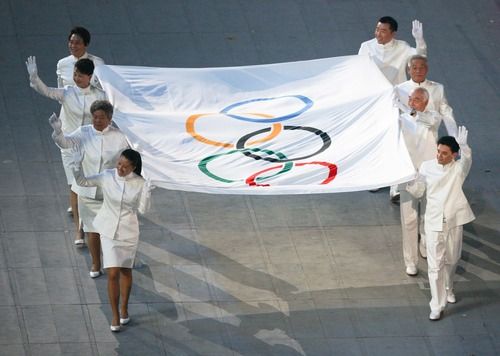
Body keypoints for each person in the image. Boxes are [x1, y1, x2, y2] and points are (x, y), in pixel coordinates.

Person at [26, 56, 106, 245]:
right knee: (75, 186)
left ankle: (97, 227)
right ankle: (79, 231)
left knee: (91, 185)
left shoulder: (100, 95)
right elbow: (47, 91)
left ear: (90, 77)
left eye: (80, 75)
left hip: (91, 145)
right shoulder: (68, 93)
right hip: (69, 142)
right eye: (75, 74)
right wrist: (35, 78)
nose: (76, 78)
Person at [73, 149, 154, 331]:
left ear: (133, 167)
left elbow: (143, 210)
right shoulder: (107, 176)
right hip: (108, 231)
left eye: (125, 166)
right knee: (112, 273)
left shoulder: (140, 183)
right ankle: (115, 315)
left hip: (128, 233)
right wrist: (76, 165)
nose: (120, 168)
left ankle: (124, 308)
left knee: (126, 271)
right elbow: (82, 181)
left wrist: (147, 192)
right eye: (119, 164)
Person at [49, 100, 130, 278]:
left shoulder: (121, 137)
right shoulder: (83, 132)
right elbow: (65, 143)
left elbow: (132, 159)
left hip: (110, 193)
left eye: (101, 117)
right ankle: (96, 263)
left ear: (110, 118)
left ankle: (115, 262)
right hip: (87, 191)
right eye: (95, 117)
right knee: (92, 230)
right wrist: (58, 131)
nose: (97, 120)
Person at [406, 126, 474, 321]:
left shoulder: (458, 169)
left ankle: (448, 287)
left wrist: (465, 148)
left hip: (454, 221)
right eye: (438, 151)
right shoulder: (427, 167)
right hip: (434, 222)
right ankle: (436, 305)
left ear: (453, 155)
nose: (439, 156)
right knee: (435, 266)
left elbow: (466, 161)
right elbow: (419, 191)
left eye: (444, 153)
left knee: (452, 260)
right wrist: (410, 182)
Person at [399, 87, 440, 276]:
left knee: (428, 217)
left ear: (425, 102)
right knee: (408, 220)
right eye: (411, 99)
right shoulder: (401, 120)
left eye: (417, 99)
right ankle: (410, 261)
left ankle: (425, 244)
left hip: (430, 176)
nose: (412, 102)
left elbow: (429, 121)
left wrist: (413, 112)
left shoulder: (433, 117)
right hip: (408, 175)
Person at [396, 55, 458, 137]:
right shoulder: (399, 89)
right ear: (408, 70)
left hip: (430, 137)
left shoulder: (437, 88)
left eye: (422, 68)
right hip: (406, 138)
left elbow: (447, 114)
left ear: (427, 69)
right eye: (414, 68)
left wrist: (454, 138)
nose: (418, 71)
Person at [359, 16, 427, 85]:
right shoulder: (366, 46)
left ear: (393, 34)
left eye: (383, 31)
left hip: (396, 91)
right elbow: (359, 70)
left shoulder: (402, 47)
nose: (378, 34)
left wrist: (419, 40)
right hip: (372, 90)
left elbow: (420, 57)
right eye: (377, 30)